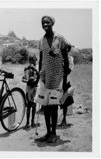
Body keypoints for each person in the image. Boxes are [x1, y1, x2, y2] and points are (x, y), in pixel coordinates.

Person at [35, 15, 72, 143]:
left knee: (54, 104)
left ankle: (54, 134)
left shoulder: (59, 38)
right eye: (43, 23)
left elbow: (66, 57)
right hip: (46, 75)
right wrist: (40, 74)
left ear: (52, 23)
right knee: (46, 104)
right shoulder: (41, 40)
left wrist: (65, 74)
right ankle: (48, 133)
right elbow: (41, 59)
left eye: (47, 22)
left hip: (57, 75)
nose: (45, 24)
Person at [22, 54, 39, 129]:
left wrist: (35, 69)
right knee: (28, 105)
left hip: (35, 88)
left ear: (36, 60)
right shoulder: (26, 68)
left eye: (33, 60)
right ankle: (27, 122)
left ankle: (32, 121)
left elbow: (39, 77)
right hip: (28, 88)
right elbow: (23, 79)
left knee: (34, 105)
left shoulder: (37, 67)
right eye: (30, 60)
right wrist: (27, 80)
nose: (32, 61)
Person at [58, 55, 74, 129]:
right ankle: (59, 119)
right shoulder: (59, 57)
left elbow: (69, 70)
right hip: (59, 82)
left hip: (66, 83)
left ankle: (64, 119)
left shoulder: (70, 58)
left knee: (66, 101)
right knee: (57, 101)